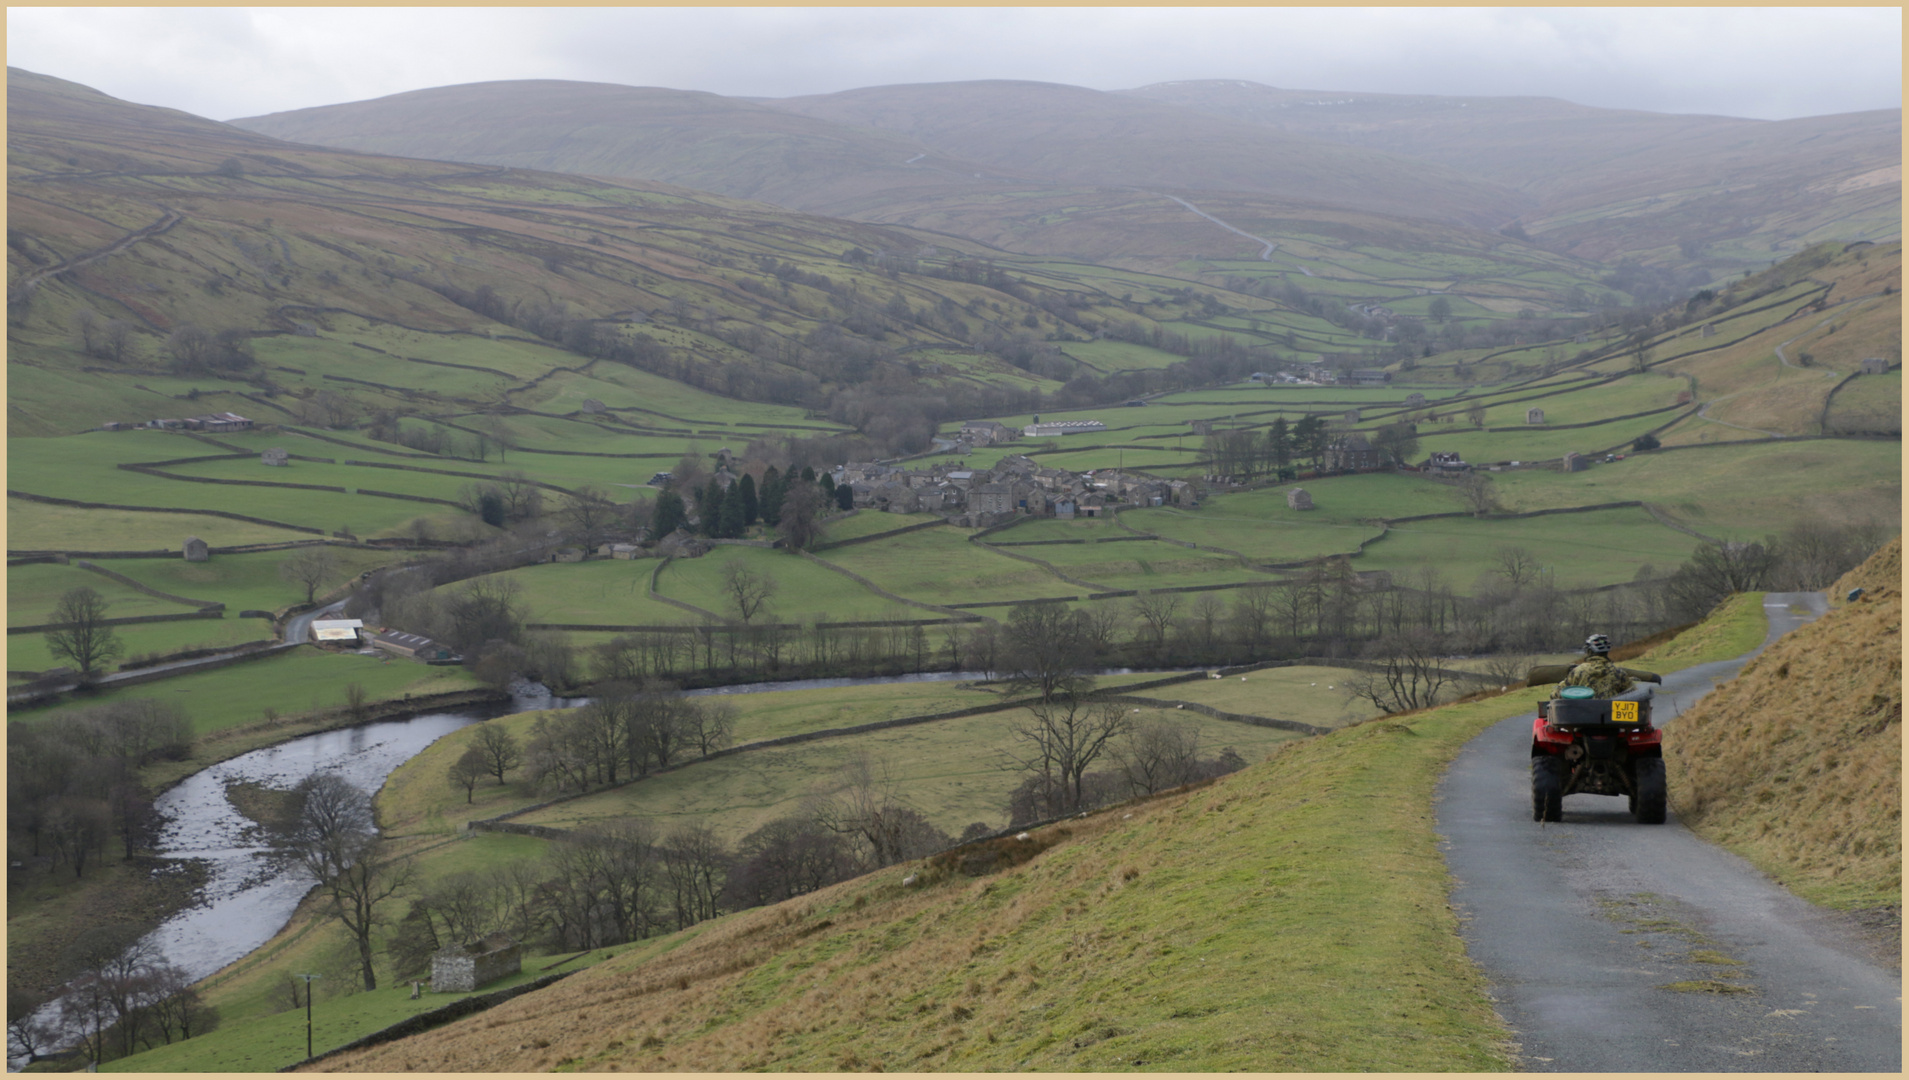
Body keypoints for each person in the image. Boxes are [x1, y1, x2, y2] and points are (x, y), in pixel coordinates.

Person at [1552, 633, 1635, 699]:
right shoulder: (1619, 673)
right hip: (1610, 718)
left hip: (1582, 717)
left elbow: (1556, 695)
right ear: (1607, 652)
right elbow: (1634, 694)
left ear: (1589, 651)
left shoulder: (1578, 672)